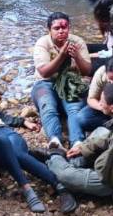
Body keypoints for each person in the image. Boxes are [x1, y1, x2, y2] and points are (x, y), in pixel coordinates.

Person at [40, 83, 113, 204]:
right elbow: (111, 136)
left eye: (102, 101)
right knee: (101, 132)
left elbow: (112, 178)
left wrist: (97, 160)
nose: (100, 103)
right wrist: (85, 148)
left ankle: (54, 156)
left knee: (66, 175)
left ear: (112, 108)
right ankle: (73, 163)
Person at [31, 12, 92, 149]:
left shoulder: (77, 42)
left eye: (64, 27)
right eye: (56, 28)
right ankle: (55, 140)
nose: (61, 31)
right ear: (49, 30)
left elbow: (87, 71)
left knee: (74, 108)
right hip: (45, 82)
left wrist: (77, 57)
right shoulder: (42, 43)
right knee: (48, 106)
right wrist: (62, 56)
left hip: (69, 81)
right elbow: (44, 72)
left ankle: (77, 141)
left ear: (69, 28)